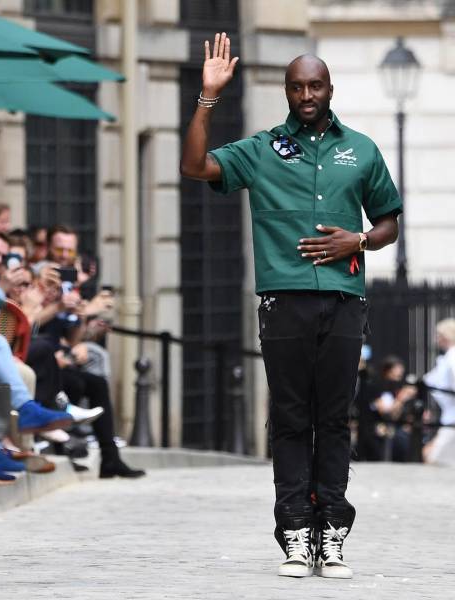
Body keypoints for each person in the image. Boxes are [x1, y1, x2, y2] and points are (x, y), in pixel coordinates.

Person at [180, 33, 402, 579]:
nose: (307, 94)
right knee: (289, 417)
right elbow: (195, 166)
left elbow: (389, 222)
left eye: (315, 84)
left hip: (345, 300)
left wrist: (361, 241)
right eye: (297, 86)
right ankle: (295, 534)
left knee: (334, 418)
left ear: (330, 88)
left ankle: (333, 535)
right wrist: (208, 97)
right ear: (287, 91)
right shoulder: (261, 150)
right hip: (283, 302)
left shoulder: (363, 149)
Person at [423, 319, 455, 465]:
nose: (436, 338)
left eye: (438, 334)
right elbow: (429, 379)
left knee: (433, 457)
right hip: (449, 418)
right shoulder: (447, 357)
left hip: (452, 420)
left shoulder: (452, 357)